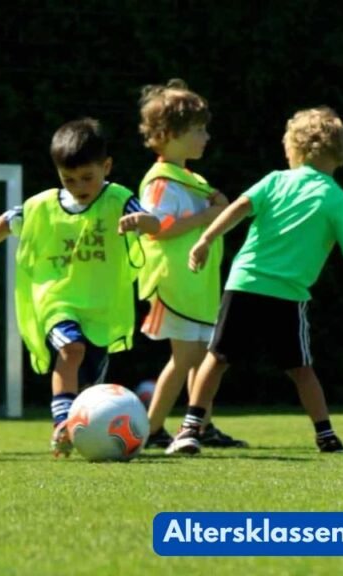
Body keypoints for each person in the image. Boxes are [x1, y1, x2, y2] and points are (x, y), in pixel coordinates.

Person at [166, 106, 343, 455]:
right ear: (341, 154)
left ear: (292, 149)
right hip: (287, 295)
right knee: (301, 368)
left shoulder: (275, 180)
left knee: (216, 357)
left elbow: (238, 207)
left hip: (245, 283)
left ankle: (189, 429)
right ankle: (325, 434)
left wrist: (206, 239)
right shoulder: (337, 199)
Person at [0, 118, 159, 457]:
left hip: (100, 308)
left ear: (107, 166)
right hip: (57, 301)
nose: (78, 186)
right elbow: (11, 219)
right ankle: (61, 423)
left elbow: (153, 221)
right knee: (71, 350)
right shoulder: (43, 206)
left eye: (87, 177)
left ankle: (84, 430)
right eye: (68, 179)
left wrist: (141, 221)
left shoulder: (118, 199)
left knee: (91, 387)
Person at [133, 79, 248, 450]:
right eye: (198, 130)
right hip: (175, 285)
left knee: (202, 358)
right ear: (166, 135)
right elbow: (158, 229)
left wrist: (215, 202)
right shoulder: (161, 183)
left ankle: (201, 425)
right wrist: (207, 216)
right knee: (184, 358)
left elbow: (221, 206)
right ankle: (151, 429)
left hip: (195, 287)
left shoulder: (191, 180)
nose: (206, 137)